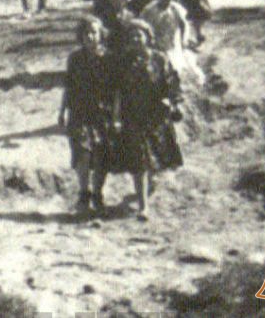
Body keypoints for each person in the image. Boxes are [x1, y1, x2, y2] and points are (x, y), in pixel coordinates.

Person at [103, 19, 183, 221]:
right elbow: (116, 92)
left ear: (149, 37)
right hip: (132, 117)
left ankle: (150, 182)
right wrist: (115, 117)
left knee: (154, 158)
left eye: (140, 35)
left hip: (156, 117)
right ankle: (143, 206)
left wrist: (173, 103)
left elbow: (172, 83)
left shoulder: (160, 60)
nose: (136, 39)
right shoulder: (123, 62)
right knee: (139, 162)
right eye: (132, 36)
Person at [58, 15, 111, 214]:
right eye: (86, 33)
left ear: (101, 35)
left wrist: (115, 115)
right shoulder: (75, 58)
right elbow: (68, 86)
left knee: (101, 155)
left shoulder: (108, 58)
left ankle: (98, 194)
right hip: (79, 111)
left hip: (101, 112)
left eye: (94, 32)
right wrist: (62, 111)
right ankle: (83, 193)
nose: (90, 36)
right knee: (82, 153)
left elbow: (115, 91)